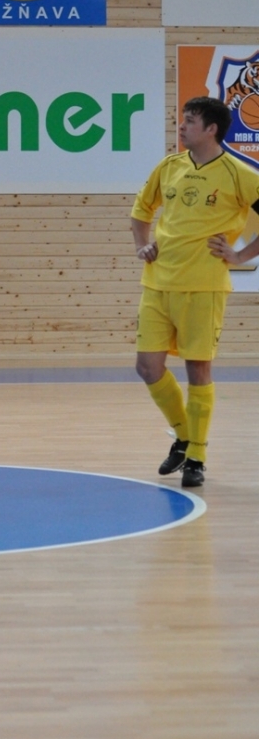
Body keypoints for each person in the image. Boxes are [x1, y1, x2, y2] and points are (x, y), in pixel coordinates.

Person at [131, 95, 259, 487]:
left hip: (204, 286)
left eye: (189, 121)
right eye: (182, 119)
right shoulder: (169, 166)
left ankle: (197, 457)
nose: (182, 126)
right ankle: (185, 436)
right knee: (147, 367)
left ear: (211, 129)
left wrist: (239, 256)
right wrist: (143, 245)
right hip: (158, 282)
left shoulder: (239, 173)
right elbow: (141, 211)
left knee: (197, 369)